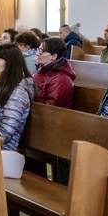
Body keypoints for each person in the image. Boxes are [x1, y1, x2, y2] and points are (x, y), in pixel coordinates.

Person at [33, 37, 76, 184]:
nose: (38, 53)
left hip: (54, 130)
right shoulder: (41, 71)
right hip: (38, 124)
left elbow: (50, 112)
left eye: (42, 51)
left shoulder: (60, 79)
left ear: (54, 56)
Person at [0, 44, 34, 152]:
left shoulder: (18, 91)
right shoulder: (1, 84)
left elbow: (6, 131)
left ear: (10, 62)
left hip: (2, 150)